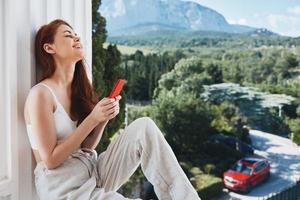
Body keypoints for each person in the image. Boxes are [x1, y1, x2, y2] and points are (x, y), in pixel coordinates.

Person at [23, 19, 201, 200]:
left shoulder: (76, 89)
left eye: (76, 35)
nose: (77, 38)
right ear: (49, 48)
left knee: (144, 127)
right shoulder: (41, 94)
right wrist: (92, 119)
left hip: (92, 171)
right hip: (65, 188)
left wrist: (103, 118)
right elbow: (51, 160)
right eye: (68, 35)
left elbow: (85, 146)